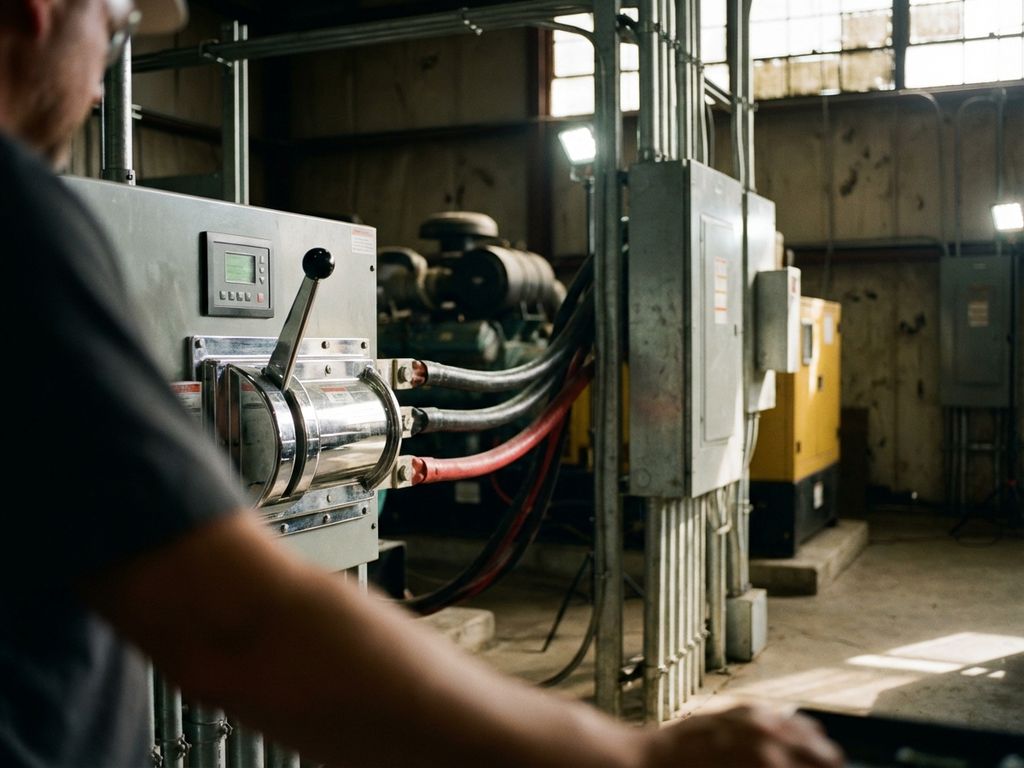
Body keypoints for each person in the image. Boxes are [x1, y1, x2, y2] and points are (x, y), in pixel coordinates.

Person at [0, 1, 846, 766]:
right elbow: (236, 625)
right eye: (112, 31)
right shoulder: (18, 218)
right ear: (37, 14)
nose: (109, 82)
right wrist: (634, 759)